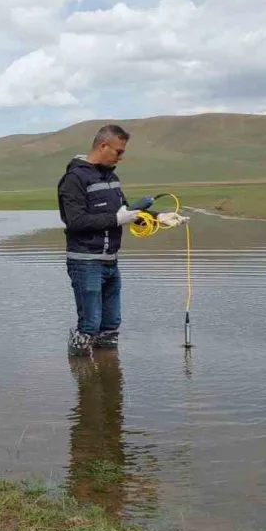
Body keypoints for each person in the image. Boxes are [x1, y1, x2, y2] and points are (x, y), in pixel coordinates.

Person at [56, 124, 187, 357]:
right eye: (119, 151)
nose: (121, 157)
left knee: (111, 324)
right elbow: (75, 221)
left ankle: (109, 379)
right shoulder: (73, 179)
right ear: (103, 146)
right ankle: (83, 380)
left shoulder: (112, 178)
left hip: (110, 262)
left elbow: (127, 213)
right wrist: (117, 219)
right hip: (85, 261)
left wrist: (160, 218)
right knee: (90, 324)